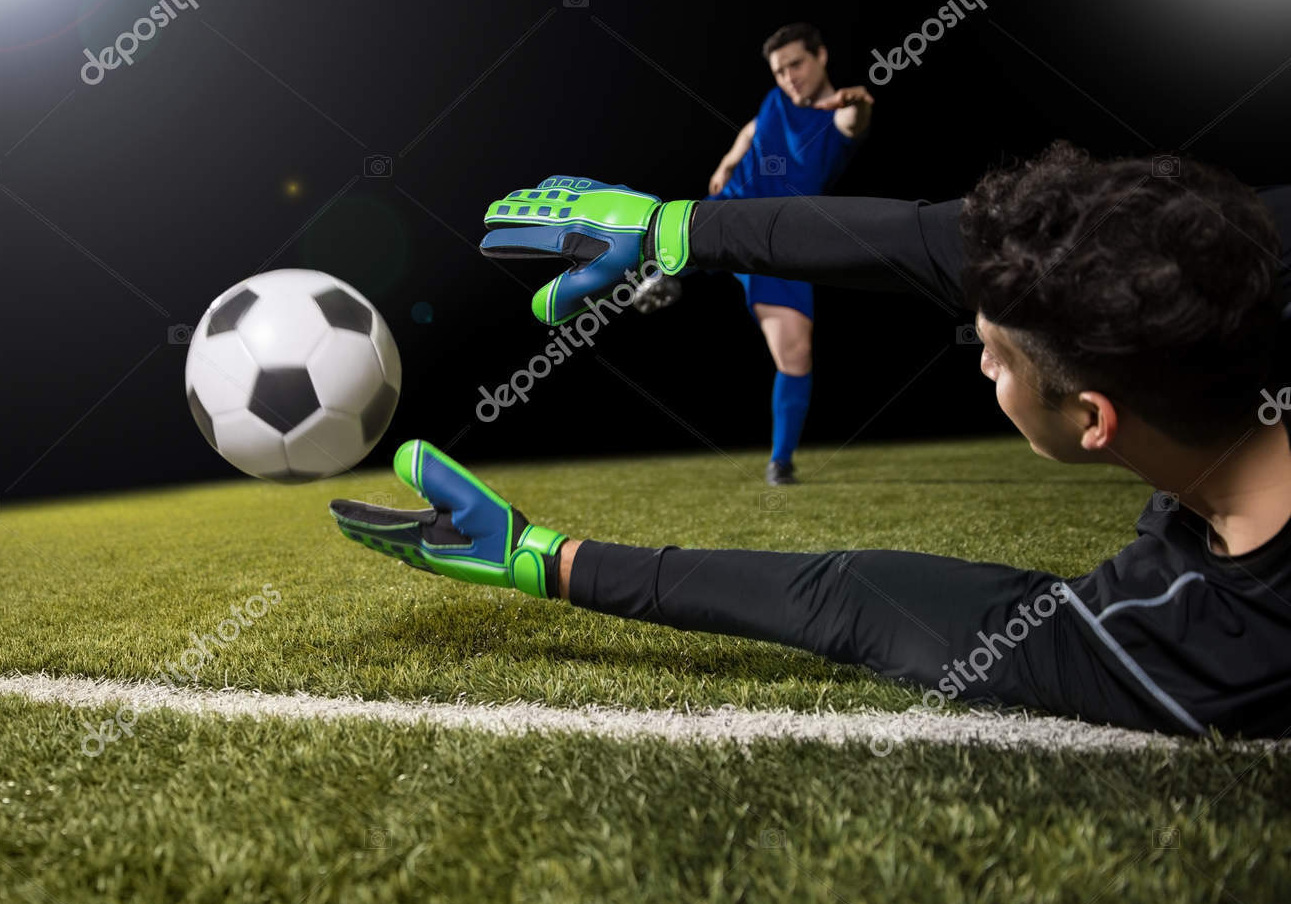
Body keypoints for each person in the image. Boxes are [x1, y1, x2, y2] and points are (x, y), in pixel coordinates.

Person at [334, 145, 1291, 738]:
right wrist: (676, 230)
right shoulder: (1227, 268)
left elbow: (855, 600)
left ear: (1094, 417)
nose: (981, 368)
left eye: (994, 358)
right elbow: (924, 242)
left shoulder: (1199, 645)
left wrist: (544, 559)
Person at [695, 22, 874, 486]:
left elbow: (852, 123)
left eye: (796, 64)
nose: (789, 77)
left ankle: (781, 461)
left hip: (780, 243)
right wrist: (727, 161)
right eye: (779, 70)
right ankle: (651, 275)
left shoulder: (835, 115)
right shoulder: (776, 102)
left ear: (821, 57)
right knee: (664, 244)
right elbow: (752, 128)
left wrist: (856, 106)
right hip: (730, 213)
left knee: (795, 353)